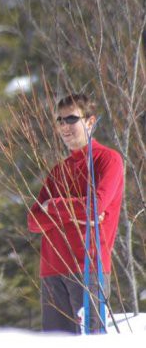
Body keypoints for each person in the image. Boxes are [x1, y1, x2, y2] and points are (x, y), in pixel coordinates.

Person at [27, 93, 124, 334]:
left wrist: (55, 206)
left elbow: (96, 206)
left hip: (87, 267)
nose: (64, 127)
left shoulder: (108, 160)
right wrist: (76, 211)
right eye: (60, 121)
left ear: (90, 122)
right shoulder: (58, 170)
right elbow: (33, 222)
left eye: (71, 119)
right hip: (51, 270)